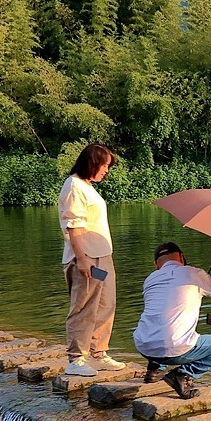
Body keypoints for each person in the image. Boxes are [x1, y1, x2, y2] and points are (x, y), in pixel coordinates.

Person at [133, 241, 211, 400]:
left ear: (156, 264)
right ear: (182, 257)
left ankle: (154, 369)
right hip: (175, 349)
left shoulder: (150, 279)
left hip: (144, 345)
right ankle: (182, 375)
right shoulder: (195, 274)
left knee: (163, 324)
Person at [59, 142, 125, 377]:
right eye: (105, 165)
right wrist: (82, 258)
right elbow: (73, 226)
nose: (107, 171)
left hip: (102, 257)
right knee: (84, 306)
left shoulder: (87, 186)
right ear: (93, 163)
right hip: (86, 259)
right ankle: (76, 358)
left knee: (106, 303)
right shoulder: (74, 186)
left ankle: (98, 352)